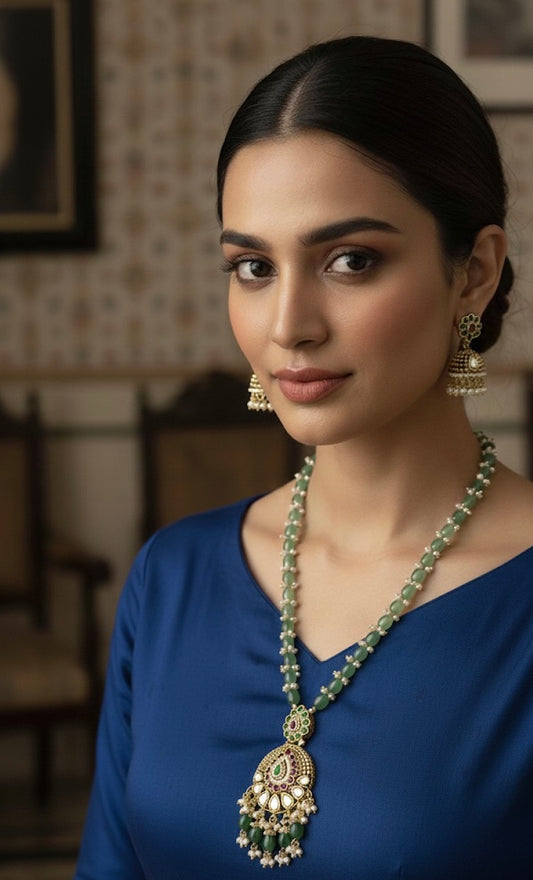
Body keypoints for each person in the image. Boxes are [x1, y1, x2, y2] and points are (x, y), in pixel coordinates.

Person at [74, 36, 533, 879]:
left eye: (349, 261)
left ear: (473, 273)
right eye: (251, 266)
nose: (288, 324)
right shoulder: (172, 578)